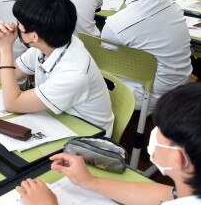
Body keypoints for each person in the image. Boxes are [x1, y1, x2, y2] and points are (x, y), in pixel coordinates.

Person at [15, 84, 201, 205]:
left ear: (177, 159)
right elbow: (171, 195)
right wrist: (90, 182)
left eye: (160, 131)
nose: (155, 134)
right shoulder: (188, 194)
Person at [0, 0, 114, 136]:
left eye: (20, 23)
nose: (16, 26)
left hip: (86, 139)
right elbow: (1, 77)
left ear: (34, 36)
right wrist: (0, 43)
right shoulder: (49, 43)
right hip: (60, 119)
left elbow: (12, 104)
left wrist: (5, 49)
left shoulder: (73, 73)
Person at [101, 0, 191, 113]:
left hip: (148, 95)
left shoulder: (117, 23)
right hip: (180, 87)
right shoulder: (173, 6)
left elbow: (106, 61)